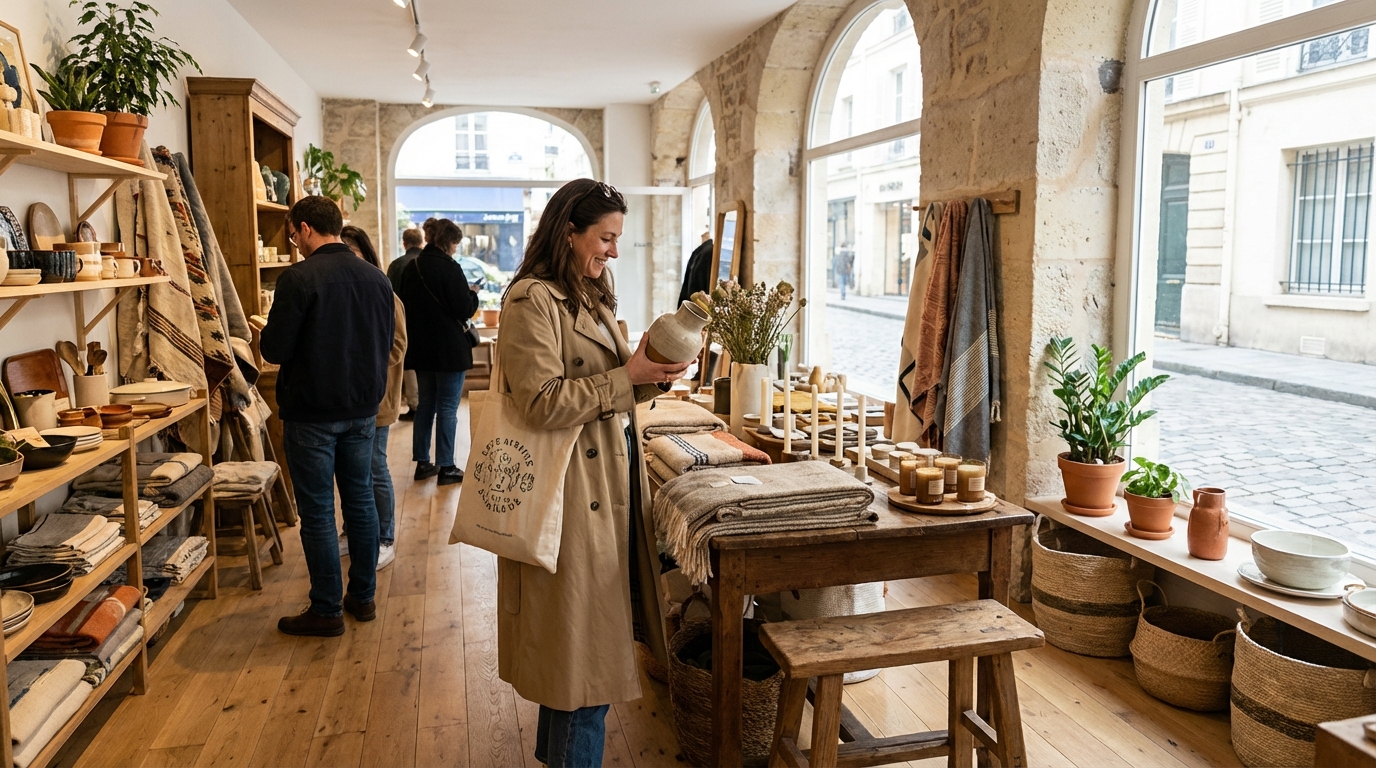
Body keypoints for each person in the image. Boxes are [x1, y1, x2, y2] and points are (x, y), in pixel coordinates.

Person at [494, 179, 690, 768]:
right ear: (569, 231)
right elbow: (540, 402)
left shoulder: (587, 292)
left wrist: (652, 376)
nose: (611, 250)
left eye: (616, 240)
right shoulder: (534, 299)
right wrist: (628, 379)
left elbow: (610, 384)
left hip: (604, 488)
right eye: (605, 237)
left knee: (576, 663)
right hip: (571, 497)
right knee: (585, 671)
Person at [261, 197, 394, 636]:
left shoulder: (297, 278)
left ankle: (325, 610)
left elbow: (275, 350)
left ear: (303, 229)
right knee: (359, 502)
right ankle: (364, 597)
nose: (293, 242)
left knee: (318, 511)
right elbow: (383, 341)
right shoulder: (376, 277)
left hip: (312, 412)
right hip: (361, 409)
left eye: (292, 234)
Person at [395, 217, 480, 485]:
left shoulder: (412, 267)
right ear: (448, 242)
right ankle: (447, 467)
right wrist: (473, 294)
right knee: (447, 407)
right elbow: (463, 308)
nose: (456, 249)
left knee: (425, 406)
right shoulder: (450, 268)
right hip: (449, 350)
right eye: (455, 243)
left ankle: (423, 462)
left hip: (421, 348)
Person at [341, 225, 406, 570]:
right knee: (352, 469)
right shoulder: (345, 291)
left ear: (366, 253)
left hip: (377, 398)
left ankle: (385, 537)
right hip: (349, 398)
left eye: (352, 251)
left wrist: (359, 364)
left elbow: (397, 347)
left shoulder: (384, 293)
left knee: (375, 466)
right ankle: (353, 531)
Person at [390, 227, 425, 421]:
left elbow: (391, 295)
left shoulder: (396, 265)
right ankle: (426, 403)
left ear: (404, 243)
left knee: (408, 361)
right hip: (427, 322)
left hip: (404, 320)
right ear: (421, 242)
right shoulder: (426, 263)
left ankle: (414, 404)